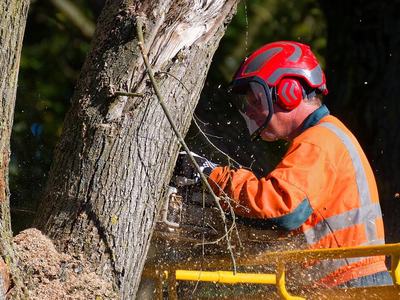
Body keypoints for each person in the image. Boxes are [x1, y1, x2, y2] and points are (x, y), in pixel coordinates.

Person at [177, 41, 393, 288]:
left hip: (350, 284)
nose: (252, 112)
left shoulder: (319, 141)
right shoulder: (324, 137)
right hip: (347, 281)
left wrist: (211, 175)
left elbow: (283, 208)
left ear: (289, 92)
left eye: (257, 100)